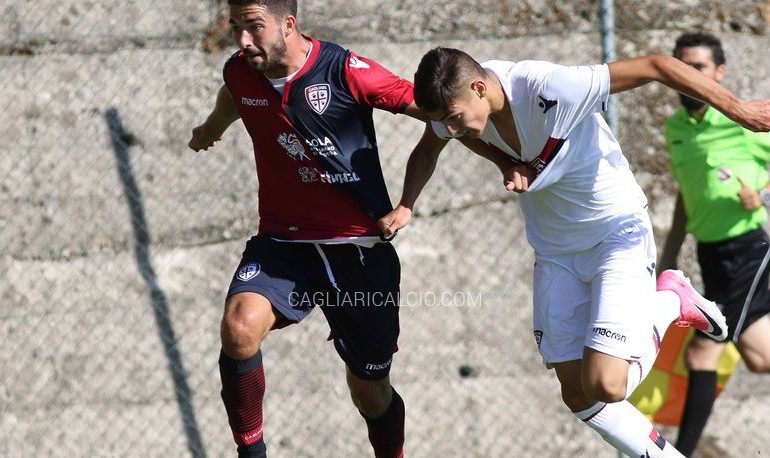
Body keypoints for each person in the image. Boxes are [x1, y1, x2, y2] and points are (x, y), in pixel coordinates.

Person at [378, 46, 770, 457]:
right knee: (578, 395)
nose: (451, 130)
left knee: (607, 384)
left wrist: (738, 109)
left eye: (455, 118)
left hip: (616, 235)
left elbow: (657, 65)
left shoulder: (550, 88)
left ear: (479, 87)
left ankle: (672, 299)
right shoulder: (458, 106)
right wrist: (407, 204)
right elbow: (428, 146)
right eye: (445, 122)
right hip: (555, 252)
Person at [187, 1, 430, 456]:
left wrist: (504, 156)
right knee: (239, 328)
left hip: (358, 248)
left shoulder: (346, 71)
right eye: (237, 28)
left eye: (254, 28)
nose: (243, 40)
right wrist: (210, 129)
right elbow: (232, 96)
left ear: (288, 24)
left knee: (370, 392)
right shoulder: (241, 71)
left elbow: (439, 112)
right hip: (285, 240)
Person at [656, 32, 770, 456]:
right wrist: (666, 261)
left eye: (698, 67)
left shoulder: (746, 120)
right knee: (759, 357)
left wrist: (763, 195)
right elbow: (687, 197)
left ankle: (679, 453)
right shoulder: (674, 129)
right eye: (681, 67)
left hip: (748, 249)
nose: (688, 75)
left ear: (719, 73)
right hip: (709, 254)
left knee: (702, 353)